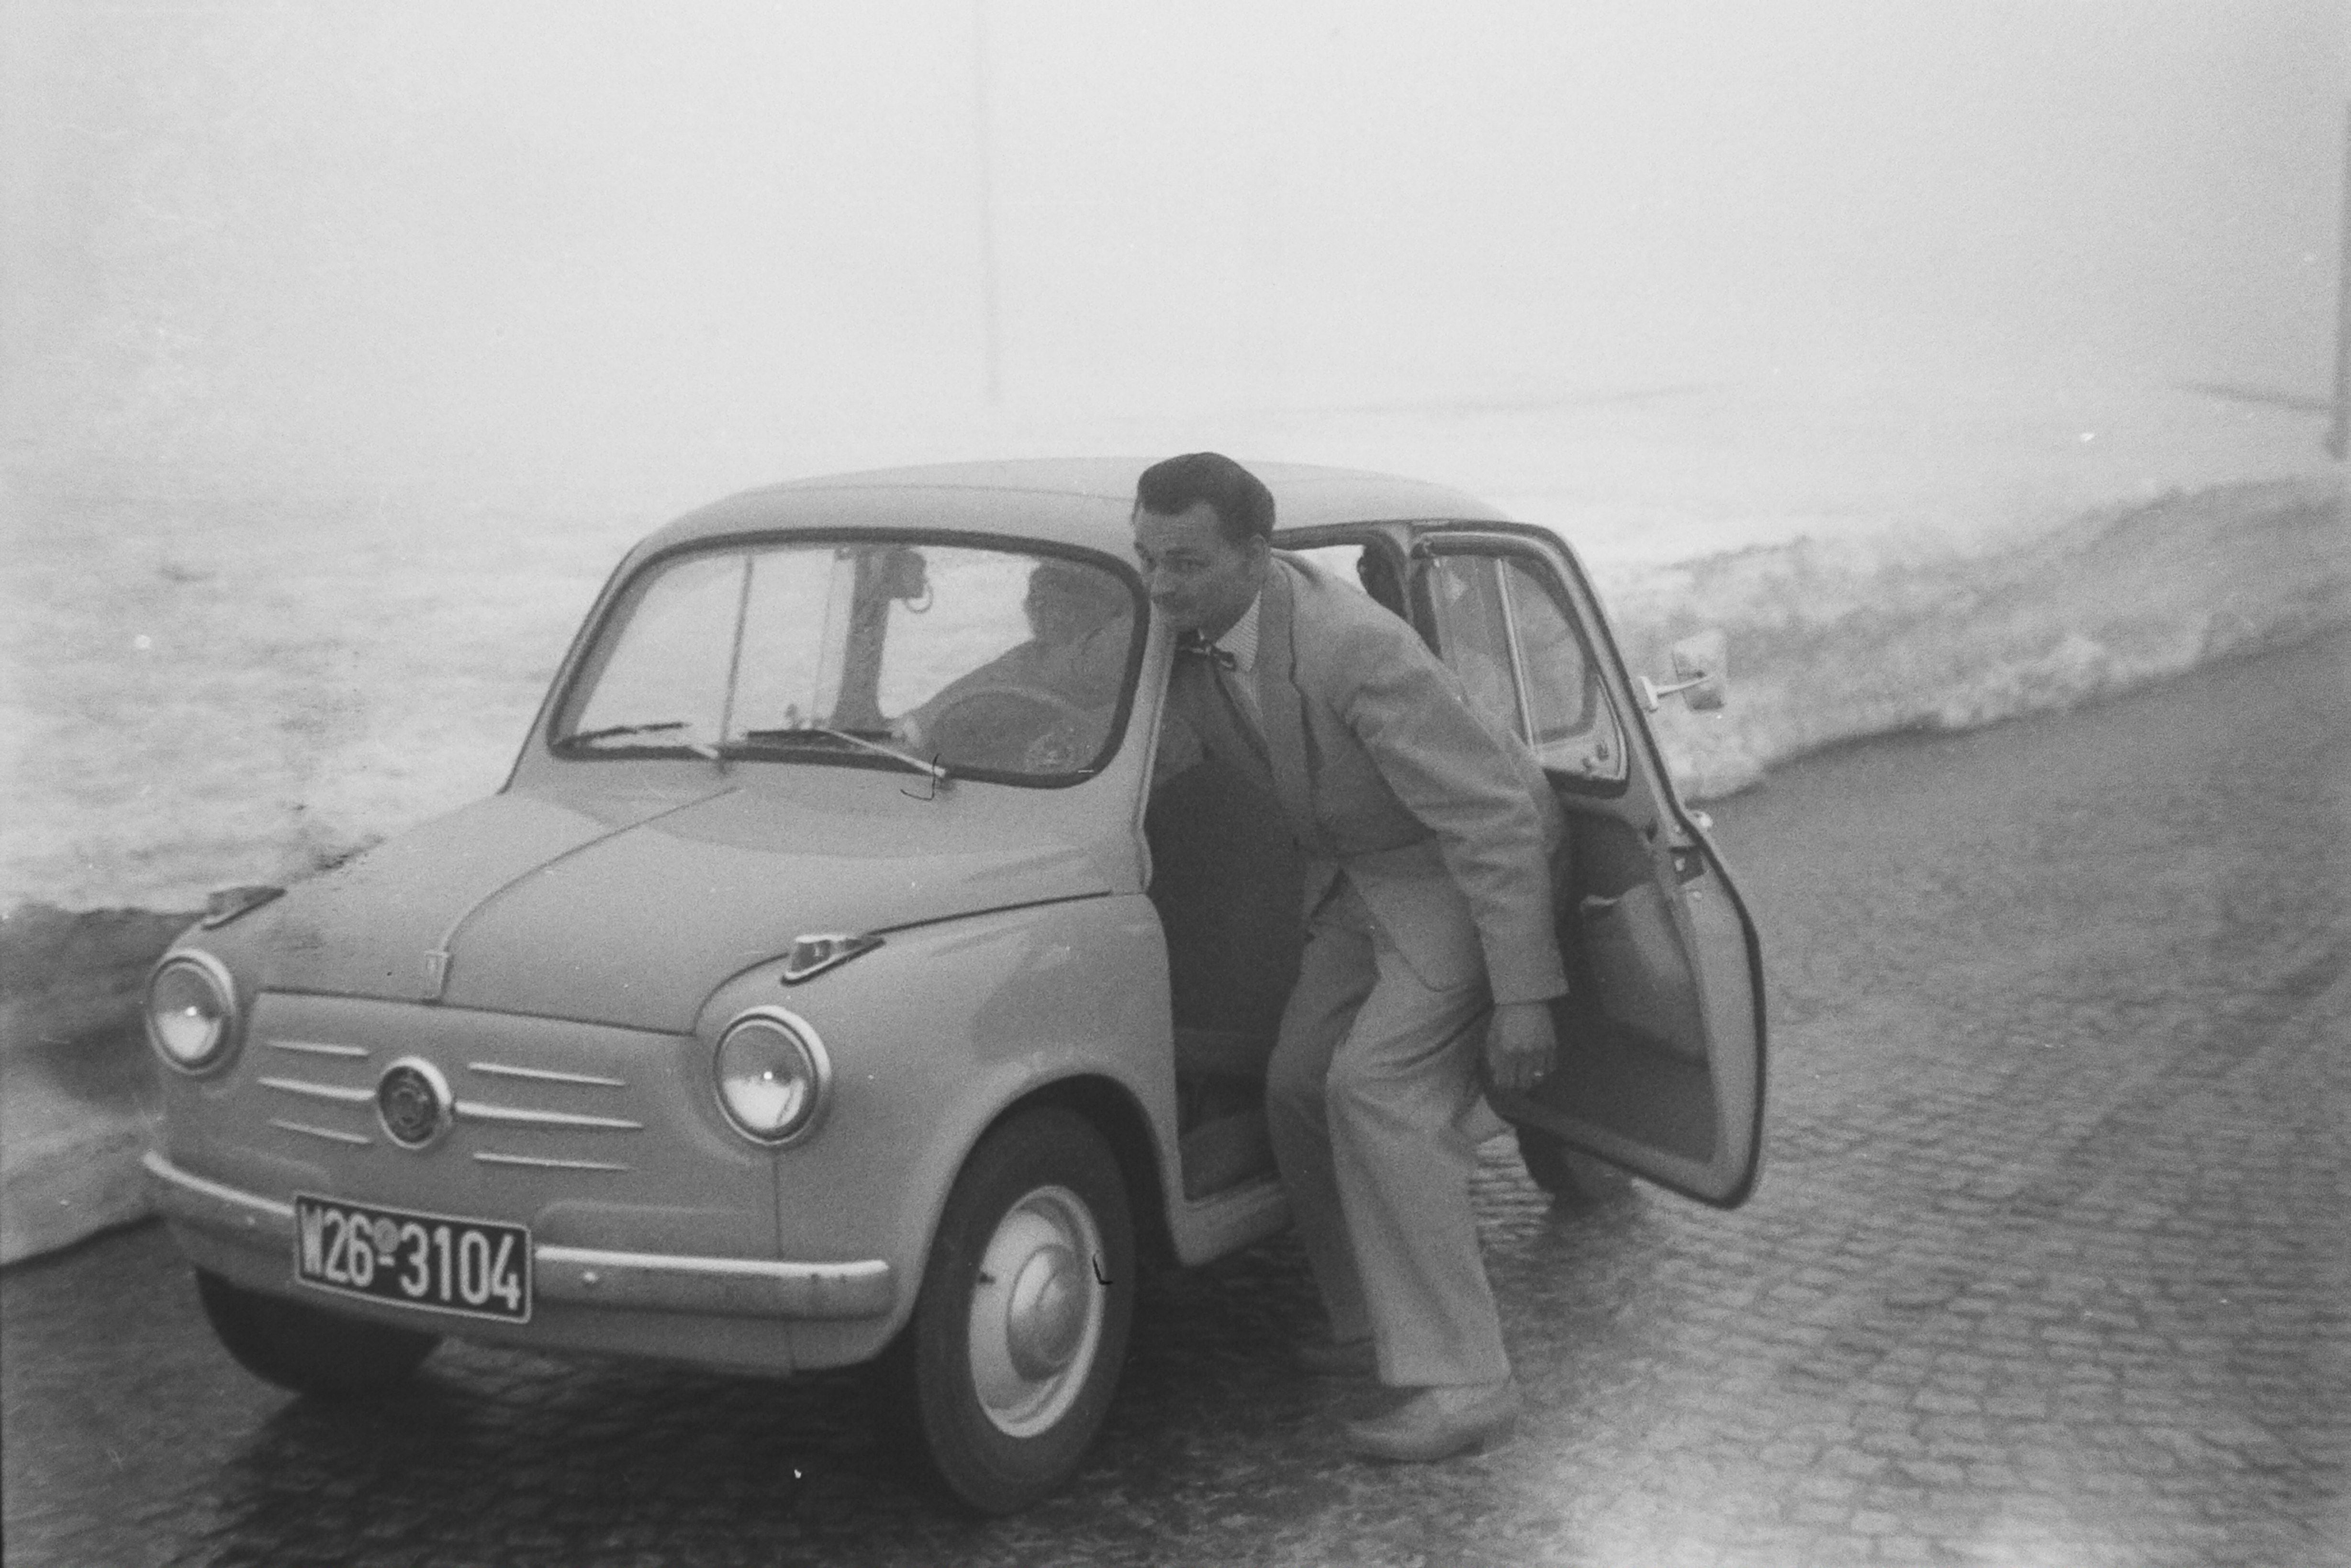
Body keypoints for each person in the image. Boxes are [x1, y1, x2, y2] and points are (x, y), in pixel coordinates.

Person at [1131, 452, 1567, 1463]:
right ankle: (1370, 1324)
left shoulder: (1355, 648)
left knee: (1377, 1091)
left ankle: (1470, 1384)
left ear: (1256, 554)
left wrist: (1524, 997)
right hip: (1358, 880)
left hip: (1453, 869)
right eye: (1145, 559)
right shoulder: (1190, 630)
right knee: (1295, 1084)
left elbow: (1495, 819)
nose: (1158, 586)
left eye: (1184, 564)